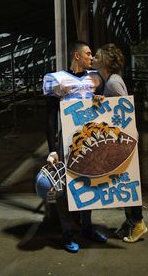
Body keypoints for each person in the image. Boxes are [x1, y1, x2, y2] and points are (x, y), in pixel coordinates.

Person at [42, 40, 107, 252]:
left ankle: (87, 227)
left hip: (91, 141)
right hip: (67, 142)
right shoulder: (58, 80)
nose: (92, 57)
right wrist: (52, 148)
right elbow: (50, 117)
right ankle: (67, 232)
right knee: (63, 187)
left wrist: (101, 100)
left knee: (89, 183)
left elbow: (104, 108)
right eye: (88, 54)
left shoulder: (96, 79)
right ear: (77, 56)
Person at [92, 42, 148, 243]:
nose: (93, 58)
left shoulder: (113, 82)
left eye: (96, 56)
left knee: (129, 181)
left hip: (124, 139)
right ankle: (130, 222)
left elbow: (123, 112)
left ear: (106, 61)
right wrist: (101, 101)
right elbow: (112, 108)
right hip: (123, 138)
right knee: (124, 180)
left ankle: (138, 222)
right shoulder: (111, 80)